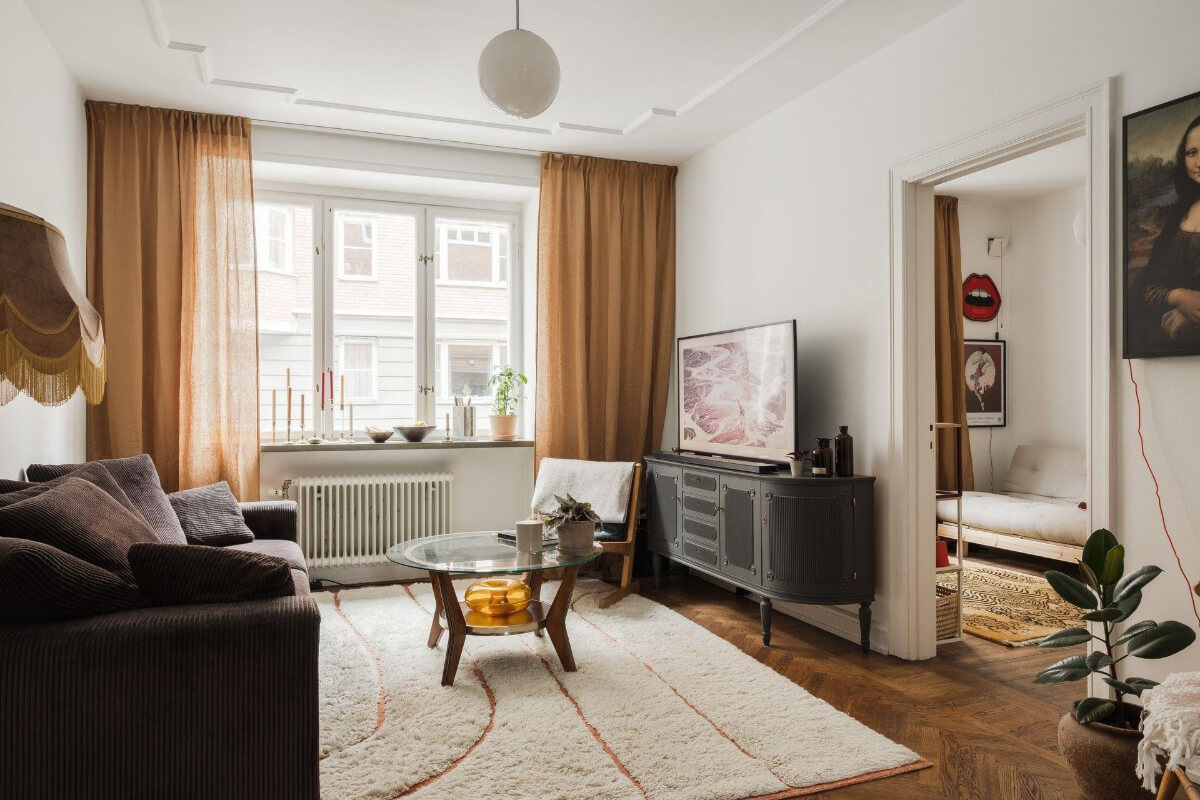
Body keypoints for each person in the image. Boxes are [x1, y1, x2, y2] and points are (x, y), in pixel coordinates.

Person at [1136, 114, 1200, 354]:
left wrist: (1192, 319)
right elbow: (1146, 287)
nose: (1198, 162)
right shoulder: (1178, 219)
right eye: (1192, 152)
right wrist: (1178, 296)